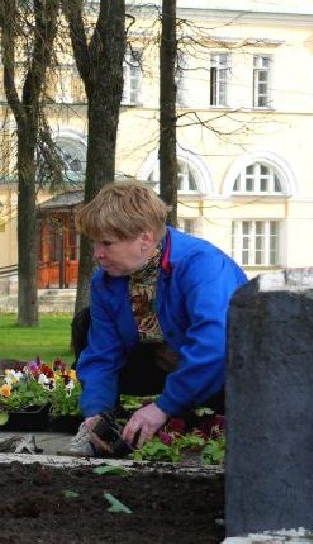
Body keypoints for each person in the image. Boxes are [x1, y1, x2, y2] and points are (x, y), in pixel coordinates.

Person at [62, 181, 248, 456]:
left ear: (145, 240)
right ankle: (102, 431)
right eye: (95, 243)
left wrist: (164, 407)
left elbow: (215, 343)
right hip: (166, 366)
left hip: (225, 372)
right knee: (85, 324)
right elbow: (102, 354)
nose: (97, 254)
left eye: (107, 244)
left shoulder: (202, 265)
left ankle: (207, 423)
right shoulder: (105, 281)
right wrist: (95, 413)